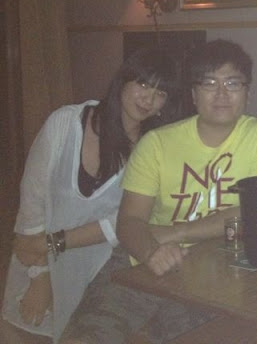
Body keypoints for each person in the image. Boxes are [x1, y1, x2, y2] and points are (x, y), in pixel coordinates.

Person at [59, 39, 257, 344]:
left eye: (232, 83)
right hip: (144, 257)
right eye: (209, 83)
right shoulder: (157, 143)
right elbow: (130, 221)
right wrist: (151, 252)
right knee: (87, 335)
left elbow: (250, 211)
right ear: (193, 94)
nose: (221, 93)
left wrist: (175, 232)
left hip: (216, 266)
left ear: (248, 93)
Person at [1, 48, 181, 344]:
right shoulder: (65, 122)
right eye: (143, 84)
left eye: (160, 93)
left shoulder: (153, 149)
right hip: (35, 261)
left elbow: (121, 222)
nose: (148, 99)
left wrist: (52, 243)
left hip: (96, 273)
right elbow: (32, 201)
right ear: (123, 80)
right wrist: (39, 274)